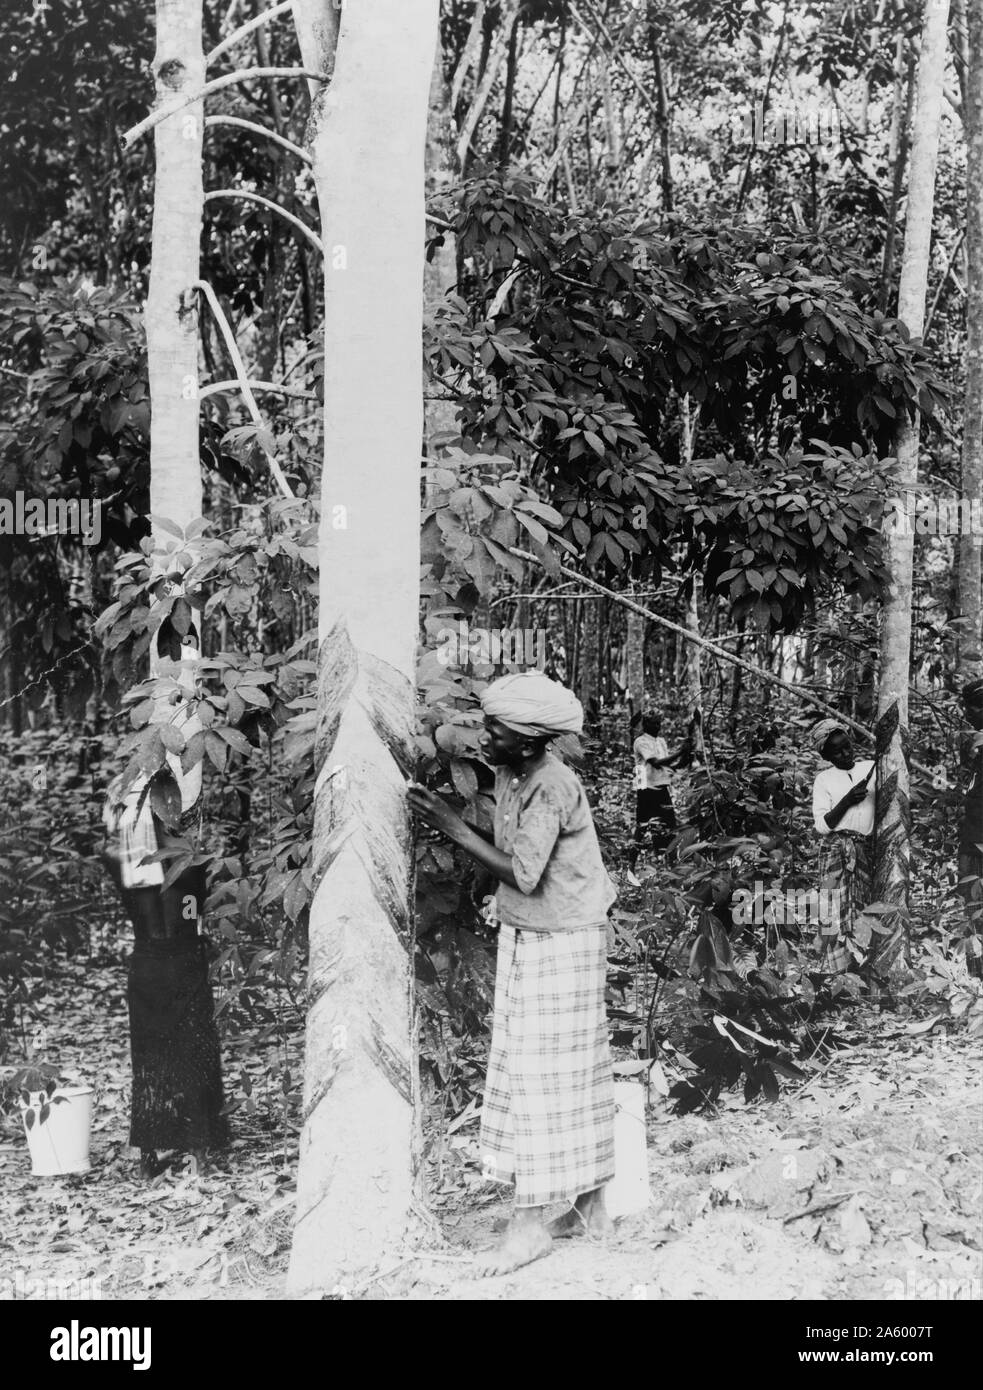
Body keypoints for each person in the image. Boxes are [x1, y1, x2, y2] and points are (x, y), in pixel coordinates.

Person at [408, 671, 616, 1275]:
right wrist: (453, 828)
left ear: (527, 741)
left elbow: (524, 872)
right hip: (533, 931)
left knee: (546, 1073)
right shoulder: (510, 771)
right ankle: (588, 1206)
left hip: (567, 938)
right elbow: (507, 857)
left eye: (494, 728)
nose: (484, 733)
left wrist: (448, 825)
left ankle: (535, 1223)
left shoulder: (552, 783)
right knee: (555, 1067)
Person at [810, 720, 876, 974]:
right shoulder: (824, 779)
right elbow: (822, 825)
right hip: (835, 850)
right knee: (833, 909)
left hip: (864, 849)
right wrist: (847, 800)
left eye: (847, 747)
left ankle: (860, 968)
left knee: (862, 906)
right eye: (836, 752)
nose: (845, 754)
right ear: (826, 756)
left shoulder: (870, 768)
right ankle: (836, 972)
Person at [627, 712, 689, 877]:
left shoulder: (661, 741)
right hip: (646, 789)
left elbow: (665, 766)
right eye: (652, 724)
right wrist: (680, 753)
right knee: (642, 828)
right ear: (645, 725)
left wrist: (685, 759)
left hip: (662, 788)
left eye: (658, 723)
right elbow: (655, 763)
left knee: (669, 828)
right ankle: (629, 869)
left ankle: (671, 869)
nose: (656, 727)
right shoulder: (640, 741)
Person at [957, 679, 983, 978]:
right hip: (972, 841)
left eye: (977, 706)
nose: (971, 713)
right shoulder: (975, 745)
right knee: (974, 910)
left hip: (978, 843)